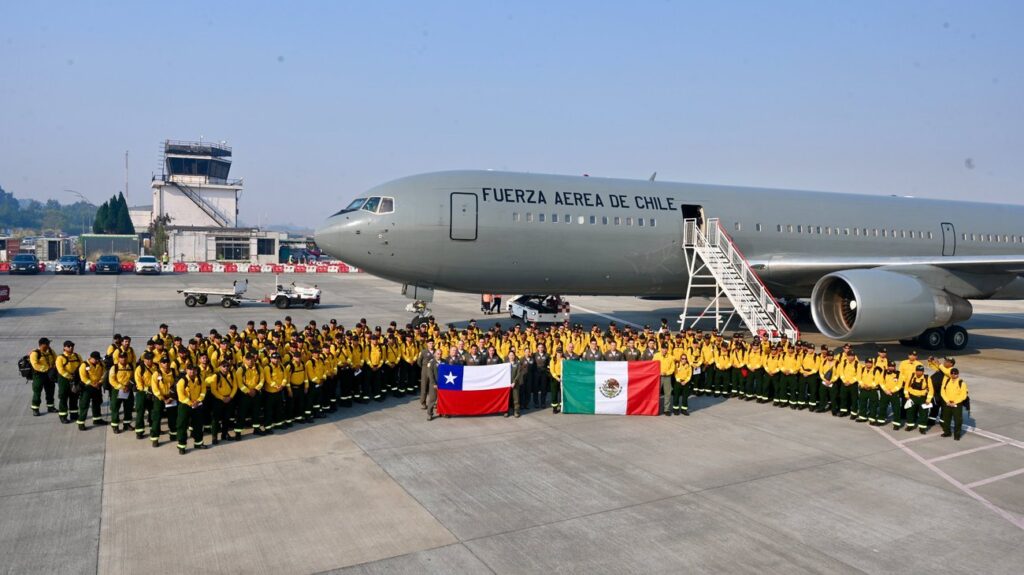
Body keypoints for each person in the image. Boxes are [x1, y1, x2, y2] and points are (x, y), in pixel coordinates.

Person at [176, 365, 208, 454]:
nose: (192, 372)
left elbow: (203, 391)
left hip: (197, 405)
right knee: (182, 425)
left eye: (194, 370)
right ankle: (182, 446)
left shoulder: (200, 379)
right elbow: (181, 395)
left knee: (198, 424)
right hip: (185, 405)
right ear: (186, 370)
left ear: (196, 371)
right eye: (190, 370)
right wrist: (190, 403)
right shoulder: (182, 381)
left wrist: (199, 400)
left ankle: (198, 443)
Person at [55, 340, 83, 424]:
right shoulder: (60, 358)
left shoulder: (77, 356)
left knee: (74, 397)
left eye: (72, 346)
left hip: (75, 379)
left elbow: (82, 366)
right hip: (64, 380)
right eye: (68, 346)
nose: (71, 348)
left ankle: (74, 415)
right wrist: (69, 376)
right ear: (64, 347)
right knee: (63, 397)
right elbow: (60, 370)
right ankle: (63, 416)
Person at [77, 352, 106, 430]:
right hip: (87, 387)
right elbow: (83, 377)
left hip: (97, 386)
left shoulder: (101, 364)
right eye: (95, 359)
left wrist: (100, 382)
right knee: (84, 404)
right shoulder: (84, 365)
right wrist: (92, 384)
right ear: (90, 358)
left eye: (98, 359)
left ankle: (97, 419)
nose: (97, 361)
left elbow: (104, 374)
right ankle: (81, 422)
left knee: (97, 403)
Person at [29, 337, 57, 416]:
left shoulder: (51, 351)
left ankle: (50, 407)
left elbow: (56, 359)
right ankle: (35, 408)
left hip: (49, 375)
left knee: (50, 391)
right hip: (39, 375)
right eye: (47, 343)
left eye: (48, 343)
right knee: (37, 392)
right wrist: (46, 369)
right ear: (41, 345)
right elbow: (35, 365)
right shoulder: (35, 353)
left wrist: (54, 368)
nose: (48, 345)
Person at [108, 354, 134, 434]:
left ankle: (127, 424)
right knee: (115, 408)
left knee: (128, 407)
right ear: (118, 359)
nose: (123, 359)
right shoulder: (114, 368)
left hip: (128, 389)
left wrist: (129, 386)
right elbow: (112, 380)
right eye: (121, 358)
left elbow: (133, 377)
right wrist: (122, 387)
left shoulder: (130, 366)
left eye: (125, 358)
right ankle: (115, 426)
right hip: (117, 390)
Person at [939, 368, 968, 440]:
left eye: (955, 373)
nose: (953, 375)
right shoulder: (946, 381)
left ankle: (957, 435)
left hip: (957, 404)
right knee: (946, 419)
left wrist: (955, 402)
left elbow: (963, 395)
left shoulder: (962, 383)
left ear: (958, 374)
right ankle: (947, 432)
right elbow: (942, 392)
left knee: (958, 420)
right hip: (947, 403)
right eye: (952, 373)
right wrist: (947, 401)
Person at [904, 365, 933, 434]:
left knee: (924, 413)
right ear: (915, 371)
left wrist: (928, 399)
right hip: (912, 397)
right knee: (910, 412)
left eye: (921, 371)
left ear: (923, 372)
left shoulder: (927, 378)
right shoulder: (911, 376)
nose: (919, 372)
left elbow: (931, 390)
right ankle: (910, 425)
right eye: (918, 371)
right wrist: (906, 395)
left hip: (922, 398)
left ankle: (922, 428)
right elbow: (906, 386)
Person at [507, 350, 524, 418]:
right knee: (507, 398)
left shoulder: (517, 364)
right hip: (507, 384)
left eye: (512, 355)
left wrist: (514, 382)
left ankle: (516, 411)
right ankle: (506, 411)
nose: (511, 356)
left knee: (516, 398)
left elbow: (518, 373)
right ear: (508, 356)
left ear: (514, 356)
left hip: (515, 384)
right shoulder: (505, 364)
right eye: (510, 355)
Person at [424, 350, 441, 421]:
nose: (439, 355)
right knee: (433, 399)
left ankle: (442, 412)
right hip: (434, 384)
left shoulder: (444, 361)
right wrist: (434, 383)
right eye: (438, 354)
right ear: (435, 354)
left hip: (442, 384)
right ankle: (429, 414)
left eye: (440, 354)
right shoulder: (431, 362)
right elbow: (430, 374)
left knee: (441, 399)